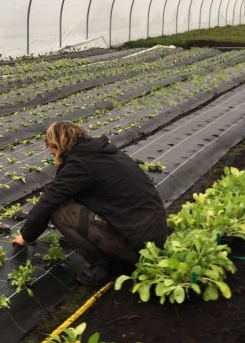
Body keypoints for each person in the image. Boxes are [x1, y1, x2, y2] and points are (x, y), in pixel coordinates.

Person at [12, 121, 168, 286]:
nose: (50, 152)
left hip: (137, 248)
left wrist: (26, 236)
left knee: (60, 211)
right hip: (153, 238)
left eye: (51, 147)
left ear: (60, 144)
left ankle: (109, 266)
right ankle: (118, 255)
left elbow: (48, 201)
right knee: (70, 199)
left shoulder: (80, 164)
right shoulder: (101, 152)